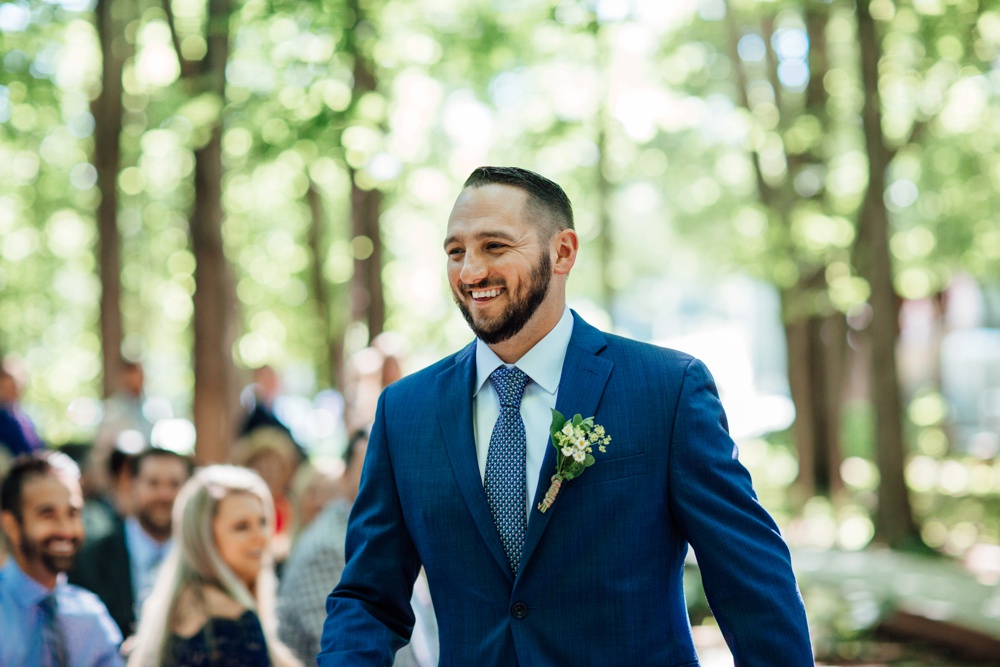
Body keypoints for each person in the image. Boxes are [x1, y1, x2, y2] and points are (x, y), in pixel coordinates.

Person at [319, 166, 813, 665]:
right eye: (455, 251)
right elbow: (369, 598)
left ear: (563, 252)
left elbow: (750, 580)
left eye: (494, 246)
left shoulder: (666, 390)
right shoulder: (405, 411)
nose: (470, 272)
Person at [278, 430, 437, 666]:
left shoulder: (393, 532)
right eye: (374, 465)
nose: (389, 473)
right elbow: (346, 648)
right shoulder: (328, 547)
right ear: (344, 476)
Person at [127, 465, 300, 667]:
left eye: (262, 522)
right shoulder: (232, 622)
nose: (260, 537)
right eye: (241, 527)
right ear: (204, 539)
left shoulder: (180, 600)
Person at [0, 452, 124, 666]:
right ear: (11, 525)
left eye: (73, 513)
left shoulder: (90, 614)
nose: (66, 530)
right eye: (47, 514)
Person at [70, 447, 192, 638]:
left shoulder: (200, 559)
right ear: (132, 486)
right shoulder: (89, 560)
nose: (164, 495)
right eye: (153, 483)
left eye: (174, 484)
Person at [0, 361, 44, 458]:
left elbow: (38, 447)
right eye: (4, 387)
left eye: (13, 386)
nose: (9, 393)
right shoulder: (3, 420)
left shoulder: (26, 419)